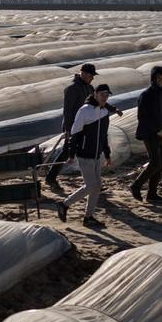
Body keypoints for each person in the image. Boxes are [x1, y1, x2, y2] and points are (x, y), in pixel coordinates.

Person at [56, 83, 114, 229]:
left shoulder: (104, 112)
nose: (104, 98)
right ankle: (64, 204)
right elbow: (74, 134)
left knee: (97, 186)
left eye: (107, 96)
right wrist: (71, 154)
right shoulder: (85, 111)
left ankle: (88, 217)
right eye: (102, 95)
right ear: (95, 94)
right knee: (91, 185)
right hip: (84, 154)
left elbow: (104, 136)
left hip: (96, 155)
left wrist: (107, 154)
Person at [43, 64, 96, 190]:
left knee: (84, 153)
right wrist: (68, 129)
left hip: (86, 125)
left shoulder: (89, 88)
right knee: (67, 152)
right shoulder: (72, 89)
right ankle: (51, 178)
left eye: (93, 76)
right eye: (90, 75)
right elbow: (67, 111)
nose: (92, 78)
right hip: (73, 126)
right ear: (83, 74)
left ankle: (91, 181)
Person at [131, 66, 162, 204]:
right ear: (153, 78)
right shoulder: (147, 94)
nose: (161, 80)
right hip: (149, 133)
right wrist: (157, 129)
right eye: (158, 78)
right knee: (155, 162)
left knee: (160, 165)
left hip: (161, 132)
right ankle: (136, 185)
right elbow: (142, 117)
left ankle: (152, 193)